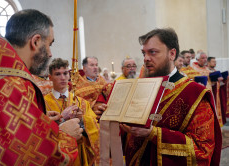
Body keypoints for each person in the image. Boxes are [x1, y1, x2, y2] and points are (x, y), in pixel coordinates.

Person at [0, 9, 82, 165]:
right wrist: (65, 135)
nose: (50, 54)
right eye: (49, 44)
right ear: (35, 42)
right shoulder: (11, 84)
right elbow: (30, 159)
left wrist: (37, 124)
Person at [120, 28, 222, 166]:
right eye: (144, 53)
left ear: (172, 54)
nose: (146, 58)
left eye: (153, 52)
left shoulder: (195, 94)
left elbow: (202, 150)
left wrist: (154, 134)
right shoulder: (140, 87)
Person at [44, 58, 100, 165]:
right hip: (59, 154)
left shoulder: (82, 102)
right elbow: (41, 129)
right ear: (50, 77)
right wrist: (62, 118)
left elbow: (95, 127)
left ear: (69, 75)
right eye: (57, 74)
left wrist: (82, 119)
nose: (63, 78)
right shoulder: (43, 102)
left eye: (65, 73)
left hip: (80, 152)